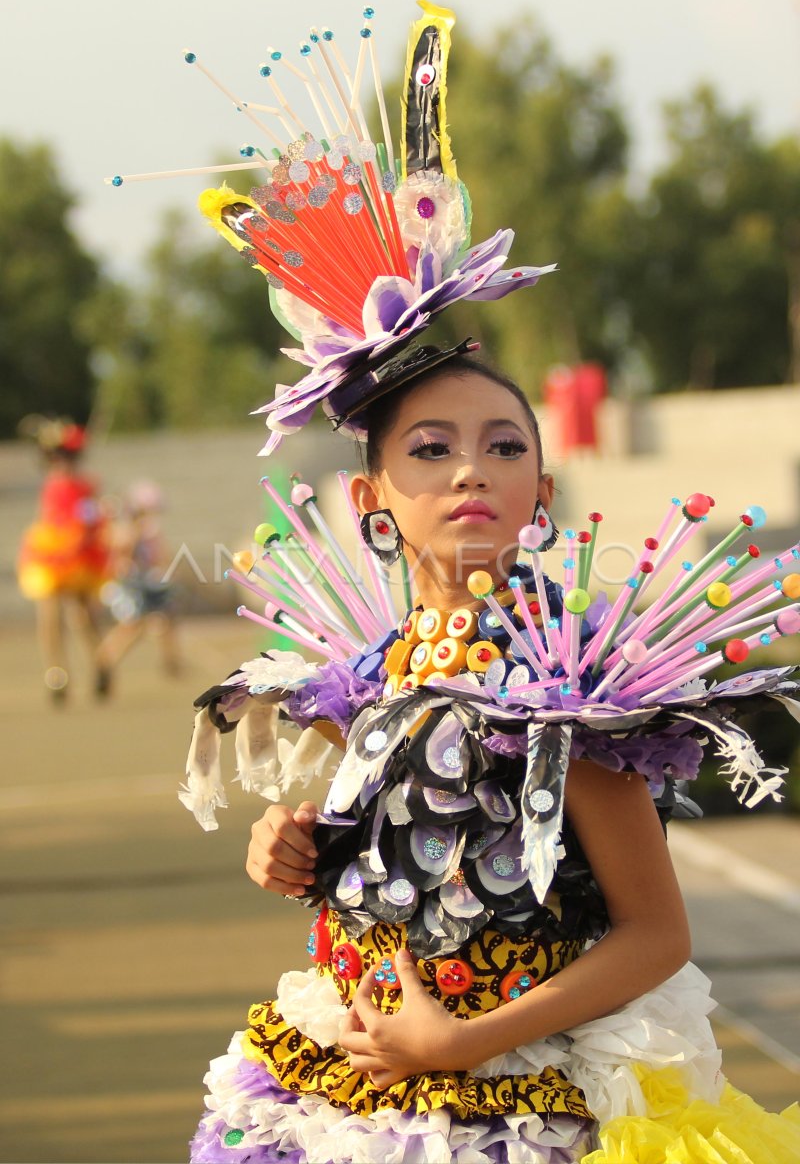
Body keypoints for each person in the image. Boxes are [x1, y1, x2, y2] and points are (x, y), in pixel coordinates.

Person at [183, 358, 800, 1163]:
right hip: (346, 1074)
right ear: (370, 499)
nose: (472, 469)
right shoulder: (368, 674)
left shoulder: (568, 686)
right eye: (432, 450)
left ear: (542, 495)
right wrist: (291, 846)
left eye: (505, 449)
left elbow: (656, 933)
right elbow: (402, 851)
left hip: (516, 1096)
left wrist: (462, 1042)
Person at [17, 417, 111, 702]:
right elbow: (47, 517)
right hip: (51, 553)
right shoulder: (53, 483)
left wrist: (82, 538)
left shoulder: (83, 485)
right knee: (50, 613)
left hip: (77, 553)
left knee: (82, 616)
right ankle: (57, 672)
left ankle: (99, 663)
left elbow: (90, 518)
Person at [96, 480, 180, 687]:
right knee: (132, 627)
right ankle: (104, 660)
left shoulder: (143, 529)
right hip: (130, 584)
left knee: (162, 620)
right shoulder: (126, 529)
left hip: (143, 582)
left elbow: (159, 556)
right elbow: (122, 553)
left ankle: (171, 663)